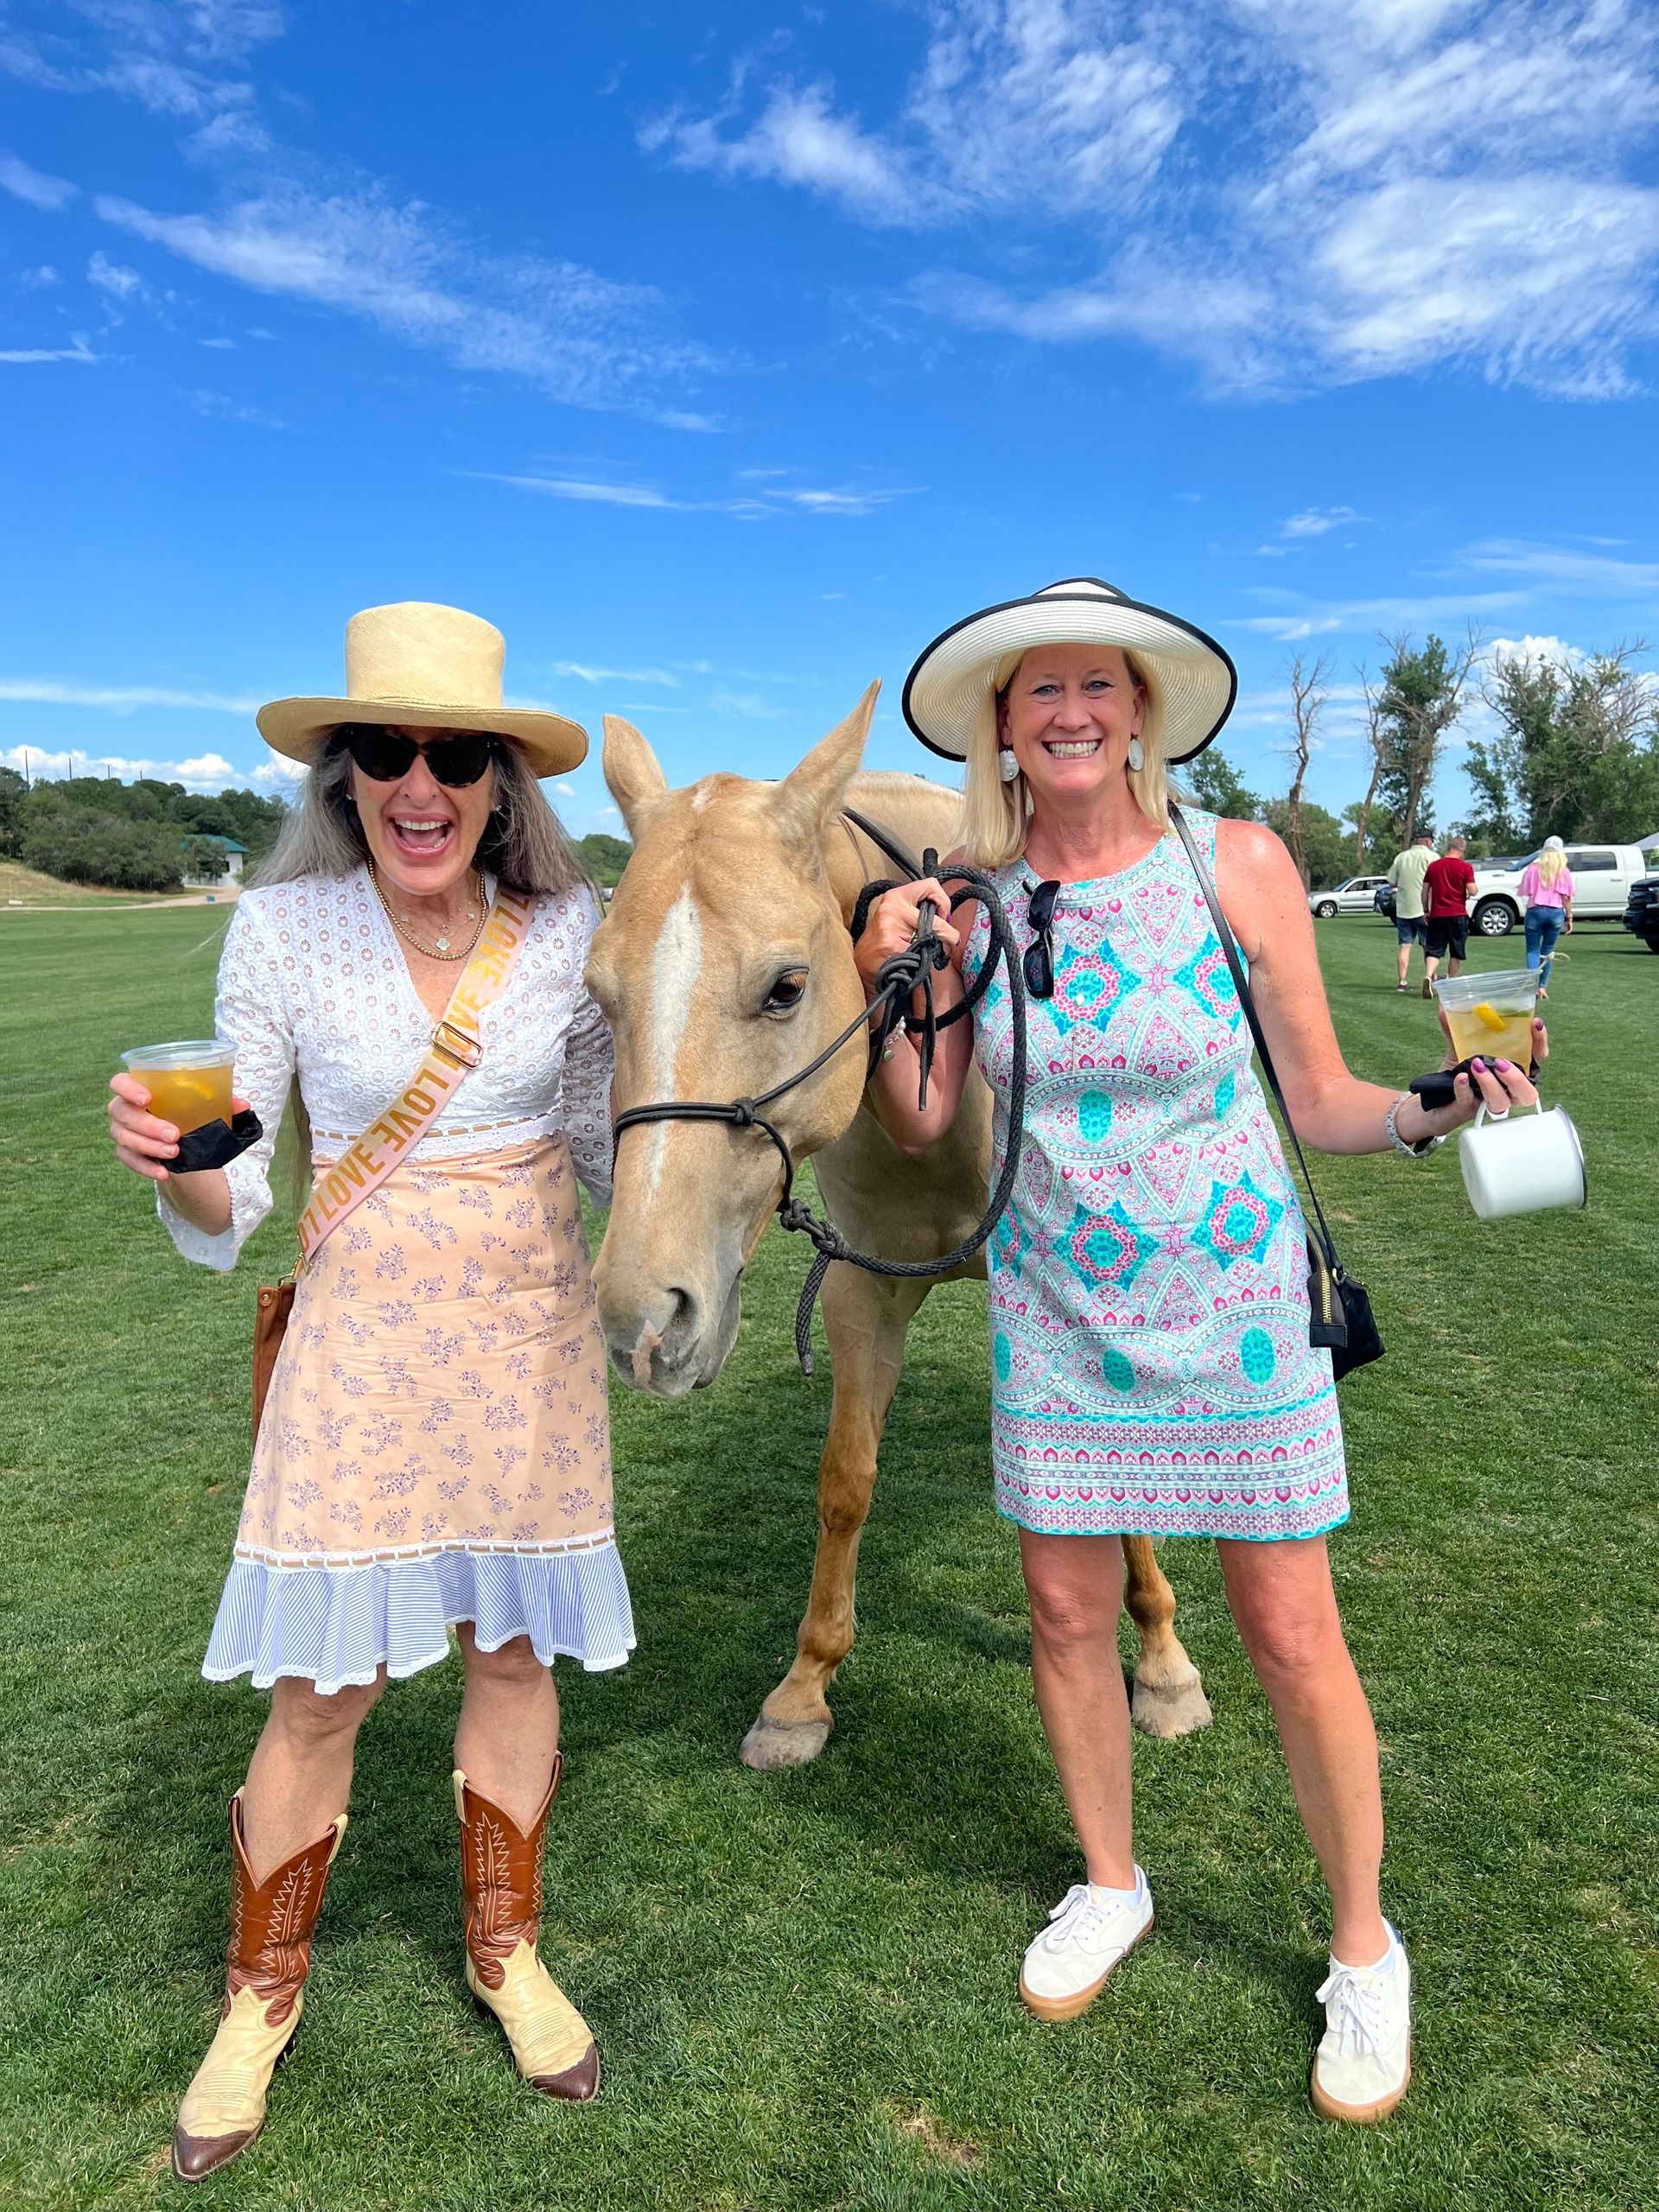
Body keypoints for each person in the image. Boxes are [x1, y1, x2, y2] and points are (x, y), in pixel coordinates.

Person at [858, 577, 1545, 2125]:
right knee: (1060, 1610)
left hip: (1239, 1312)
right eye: (1042, 692)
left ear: (1143, 709)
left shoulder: (1233, 863)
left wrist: (1438, 1106)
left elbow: (1320, 1101)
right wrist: (892, 976)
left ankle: (1365, 1949)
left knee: (1292, 1634)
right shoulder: (974, 902)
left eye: (1098, 685)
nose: (1073, 711)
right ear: (1005, 725)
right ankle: (1112, 1881)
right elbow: (918, 1118)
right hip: (1058, 1310)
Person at [105, 602, 631, 2178]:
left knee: (514, 1654)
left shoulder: (575, 930)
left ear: (497, 784)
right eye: (384, 754)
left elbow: (612, 1150)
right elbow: (237, 1188)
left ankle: (506, 1949)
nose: (420, 783)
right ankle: (259, 1994)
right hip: (366, 1339)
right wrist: (184, 1171)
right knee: (321, 1690)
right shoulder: (281, 931)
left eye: (453, 755)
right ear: (342, 778)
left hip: (528, 1332)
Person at [1519, 836, 1574, 997]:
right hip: (1555, 913)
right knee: (1548, 951)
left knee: (1532, 950)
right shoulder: (1563, 872)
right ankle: (1542, 986)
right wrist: (1569, 917)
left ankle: (1533, 986)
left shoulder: (1532, 869)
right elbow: (1566, 898)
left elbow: (1526, 891)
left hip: (1535, 911)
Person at [1421, 834, 1477, 995]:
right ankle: (1451, 984)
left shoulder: (1434, 867)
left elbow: (1424, 892)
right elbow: (1472, 890)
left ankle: (1428, 976)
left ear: (1448, 848)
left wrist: (1426, 910)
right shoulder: (1465, 867)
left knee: (1434, 950)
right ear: (1462, 850)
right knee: (1456, 952)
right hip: (1457, 914)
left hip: (1437, 915)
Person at [1385, 832, 1435, 992]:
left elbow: (1391, 881)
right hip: (1424, 908)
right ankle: (1431, 978)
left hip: (1404, 909)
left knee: (1405, 946)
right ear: (1428, 841)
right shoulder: (1432, 857)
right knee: (1428, 946)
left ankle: (1403, 981)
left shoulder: (1401, 857)